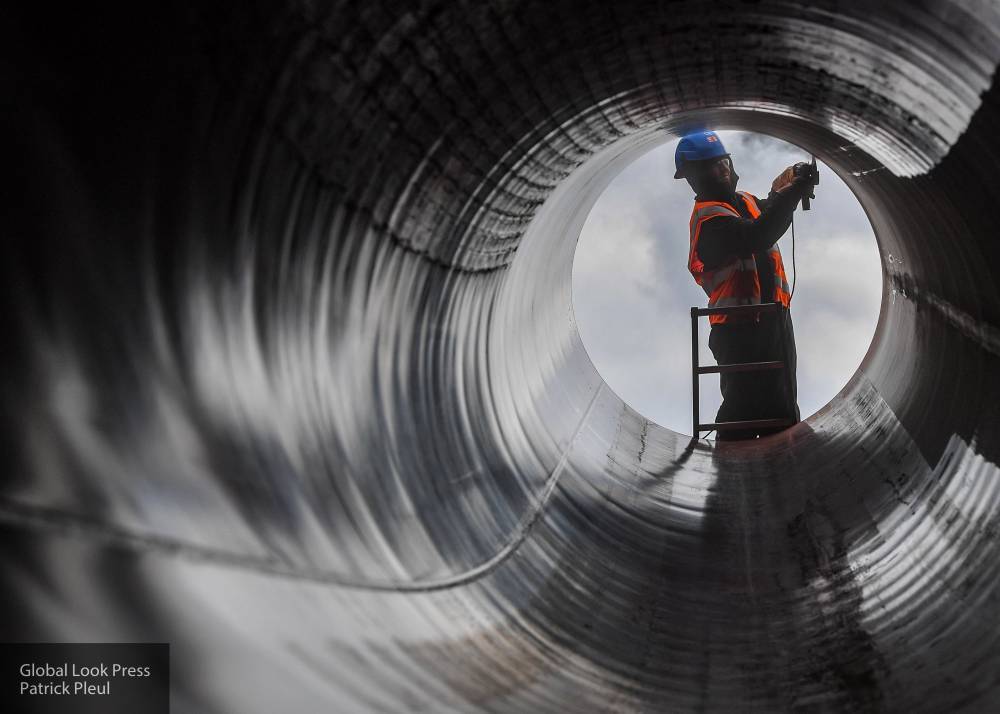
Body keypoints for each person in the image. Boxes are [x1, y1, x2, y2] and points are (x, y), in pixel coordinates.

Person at [675, 130, 816, 440]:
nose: (721, 169)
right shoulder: (710, 219)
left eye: (723, 161)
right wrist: (790, 196)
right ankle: (731, 473)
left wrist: (788, 185)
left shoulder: (745, 201)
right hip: (739, 329)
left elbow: (768, 211)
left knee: (782, 407)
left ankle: (783, 469)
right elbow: (757, 234)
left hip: (774, 321)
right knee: (742, 409)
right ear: (695, 177)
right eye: (711, 166)